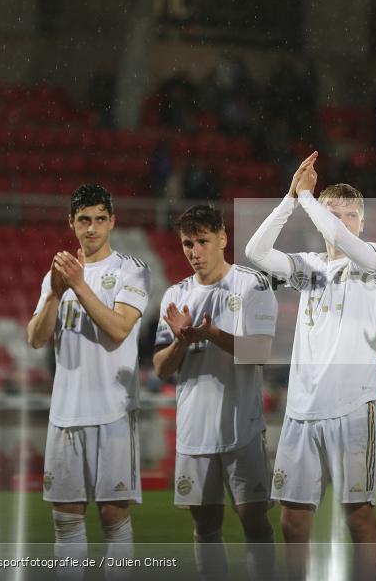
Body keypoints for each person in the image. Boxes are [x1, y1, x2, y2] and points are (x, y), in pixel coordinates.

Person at [245, 151, 376, 581]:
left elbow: (343, 242)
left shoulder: (375, 262)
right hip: (302, 411)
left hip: (352, 407)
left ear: (362, 223)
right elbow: (256, 251)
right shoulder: (308, 268)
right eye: (335, 215)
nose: (343, 223)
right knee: (292, 523)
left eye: (350, 216)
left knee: (358, 517)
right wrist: (292, 198)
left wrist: (311, 200)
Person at [27, 184, 150, 581]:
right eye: (84, 220)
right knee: (65, 519)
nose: (92, 228)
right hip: (66, 412)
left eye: (100, 219)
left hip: (113, 411)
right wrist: (52, 298)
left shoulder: (131, 269)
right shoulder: (58, 275)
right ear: (72, 223)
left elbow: (118, 330)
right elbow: (36, 338)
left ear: (113, 221)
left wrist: (79, 286)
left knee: (113, 517)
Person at [152, 205, 277, 580]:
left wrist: (212, 334)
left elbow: (261, 353)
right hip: (195, 431)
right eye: (188, 243)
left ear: (223, 238)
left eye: (203, 241)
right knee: (206, 527)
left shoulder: (252, 284)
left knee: (253, 522)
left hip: (243, 427)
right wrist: (181, 342)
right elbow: (161, 368)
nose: (195, 252)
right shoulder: (176, 295)